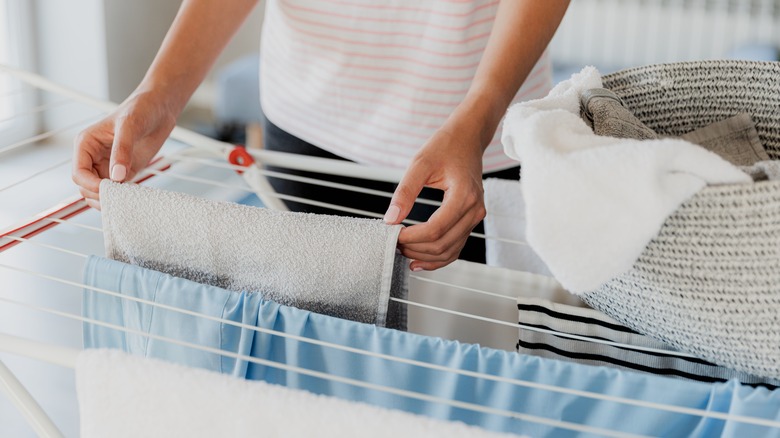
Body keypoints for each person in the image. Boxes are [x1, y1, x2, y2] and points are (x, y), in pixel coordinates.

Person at [72, 0, 570, 272]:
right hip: (304, 120)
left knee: (458, 366)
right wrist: (159, 93)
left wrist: (478, 119)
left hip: (469, 146)